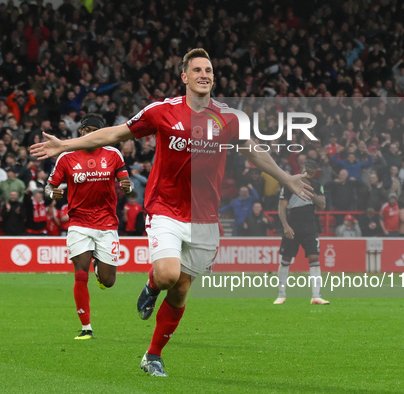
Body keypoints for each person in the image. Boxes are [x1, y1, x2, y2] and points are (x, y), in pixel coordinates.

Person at [31, 48, 313, 377]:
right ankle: (152, 286)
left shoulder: (229, 117)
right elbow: (115, 133)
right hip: (166, 208)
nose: (204, 74)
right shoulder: (162, 111)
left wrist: (286, 178)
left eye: (208, 70)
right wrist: (65, 144)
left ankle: (152, 355)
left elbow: (254, 151)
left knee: (180, 290)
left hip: (205, 218)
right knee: (167, 275)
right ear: (184, 77)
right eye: (197, 70)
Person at [45, 114, 133, 340]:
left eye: (95, 130)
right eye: (87, 129)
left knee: (108, 281)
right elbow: (49, 186)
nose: (89, 133)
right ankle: (86, 327)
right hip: (79, 222)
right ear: (81, 131)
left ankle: (99, 269)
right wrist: (51, 192)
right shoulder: (66, 156)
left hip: (107, 223)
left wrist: (128, 187)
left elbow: (127, 184)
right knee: (79, 273)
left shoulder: (113, 155)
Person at [274, 159, 327, 305]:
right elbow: (282, 207)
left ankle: (316, 296)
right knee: (286, 260)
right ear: (302, 169)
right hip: (293, 225)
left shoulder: (316, 186)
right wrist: (285, 226)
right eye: (307, 173)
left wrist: (310, 191)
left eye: (311, 174)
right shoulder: (290, 183)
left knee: (314, 259)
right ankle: (281, 295)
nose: (309, 176)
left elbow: (322, 204)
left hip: (310, 226)